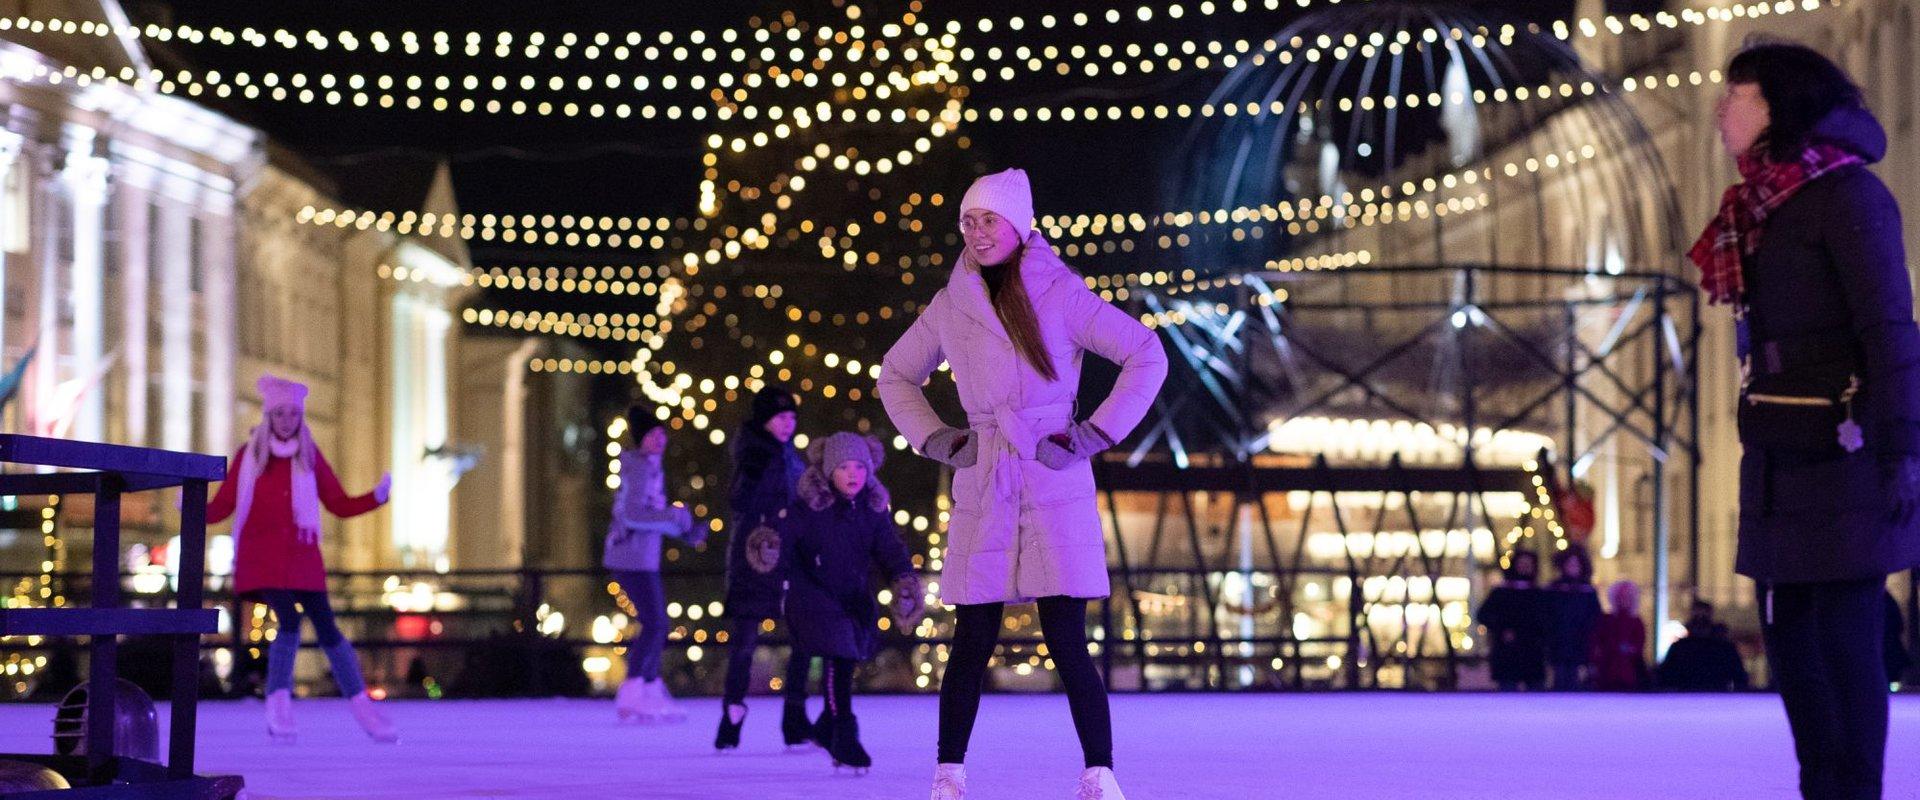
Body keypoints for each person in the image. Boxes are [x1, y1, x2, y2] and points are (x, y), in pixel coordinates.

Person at [878, 167, 1168, 800]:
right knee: (971, 638)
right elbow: (896, 375)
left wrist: (1092, 434)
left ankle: (1100, 773)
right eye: (968, 221)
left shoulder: (1061, 293)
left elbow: (1147, 353)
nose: (977, 233)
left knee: (1067, 639)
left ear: (1019, 225)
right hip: (986, 478)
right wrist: (942, 439)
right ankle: (948, 775)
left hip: (1051, 474)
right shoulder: (951, 303)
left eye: (989, 220)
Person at [1693, 42, 1920, 799]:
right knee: (1792, 640)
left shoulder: (1846, 195)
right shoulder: (1761, 204)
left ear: (1778, 105)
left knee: (1843, 638)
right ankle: (1820, 786)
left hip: (1847, 448)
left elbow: (1890, 328)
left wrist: (1899, 447)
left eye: (1738, 94)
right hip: (1780, 450)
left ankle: (1852, 790)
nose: (1723, 109)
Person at [206, 374, 397, 743]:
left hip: (302, 557)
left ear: (300, 417)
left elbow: (337, 503)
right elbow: (225, 503)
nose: (287, 421)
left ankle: (362, 706)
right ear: (269, 417)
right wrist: (193, 508)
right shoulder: (251, 457)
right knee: (290, 621)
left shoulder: (308, 457)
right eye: (280, 414)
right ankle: (278, 702)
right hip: (260, 557)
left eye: (293, 414)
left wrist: (375, 497)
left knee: (328, 628)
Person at [776, 432, 924, 773]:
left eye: (860, 466)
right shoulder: (808, 507)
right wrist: (766, 549)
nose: (853, 474)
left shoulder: (872, 509)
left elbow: (890, 550)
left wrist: (903, 581)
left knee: (847, 657)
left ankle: (828, 725)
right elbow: (779, 540)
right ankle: (844, 733)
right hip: (811, 596)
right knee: (839, 656)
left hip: (850, 597)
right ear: (829, 471)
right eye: (844, 467)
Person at [716, 384, 819, 750]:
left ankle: (794, 718)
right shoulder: (754, 453)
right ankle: (731, 721)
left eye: (792, 416)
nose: (788, 423)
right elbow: (740, 499)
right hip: (756, 558)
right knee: (744, 642)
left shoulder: (788, 453)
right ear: (764, 421)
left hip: (788, 555)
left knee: (804, 634)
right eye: (780, 417)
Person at [604, 404, 706, 722]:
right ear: (640, 439)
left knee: (656, 623)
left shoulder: (651, 467)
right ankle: (635, 689)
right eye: (651, 434)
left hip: (641, 557)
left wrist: (682, 529)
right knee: (656, 622)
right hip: (631, 557)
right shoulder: (639, 467)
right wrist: (674, 517)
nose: (659, 439)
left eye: (662, 433)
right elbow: (634, 515)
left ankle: (648, 688)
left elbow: (649, 517)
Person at [1475, 550, 1548, 691]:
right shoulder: (1501, 592)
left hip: (1532, 656)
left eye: (1528, 564)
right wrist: (1502, 630)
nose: (1525, 567)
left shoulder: (1539, 594)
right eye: (1522, 563)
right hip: (1507, 655)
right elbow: (1483, 615)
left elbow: (1547, 621)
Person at [1544, 547, 1603, 691]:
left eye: (1576, 565)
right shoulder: (1553, 589)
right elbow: (1546, 616)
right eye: (1569, 564)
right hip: (1558, 644)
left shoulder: (1587, 591)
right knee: (1559, 679)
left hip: (1580, 644)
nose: (1572, 568)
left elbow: (1596, 617)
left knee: (1576, 682)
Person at [1657, 600, 1750, 691]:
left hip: (1688, 699)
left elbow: (1665, 678)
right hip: (1716, 699)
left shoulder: (1679, 648)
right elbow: (1740, 679)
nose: (1700, 620)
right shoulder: (1724, 648)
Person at [1589, 580, 1648, 692]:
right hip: (1607, 671)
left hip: (1630, 673)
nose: (1623, 599)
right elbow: (1598, 643)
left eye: (1627, 596)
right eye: (1620, 596)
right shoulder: (1606, 620)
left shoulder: (1636, 622)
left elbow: (1638, 646)